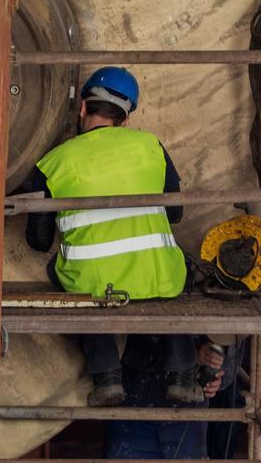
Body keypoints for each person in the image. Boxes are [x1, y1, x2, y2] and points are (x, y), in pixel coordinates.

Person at [23, 66, 200, 404]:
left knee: (71, 281)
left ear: (83, 108)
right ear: (126, 119)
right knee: (179, 272)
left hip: (94, 283)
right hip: (157, 278)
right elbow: (175, 214)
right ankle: (182, 372)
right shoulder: (151, 147)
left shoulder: (53, 162)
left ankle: (106, 378)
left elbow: (39, 242)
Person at [91, 337, 236, 463]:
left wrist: (219, 375)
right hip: (134, 406)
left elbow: (234, 339)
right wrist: (192, 354)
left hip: (185, 416)